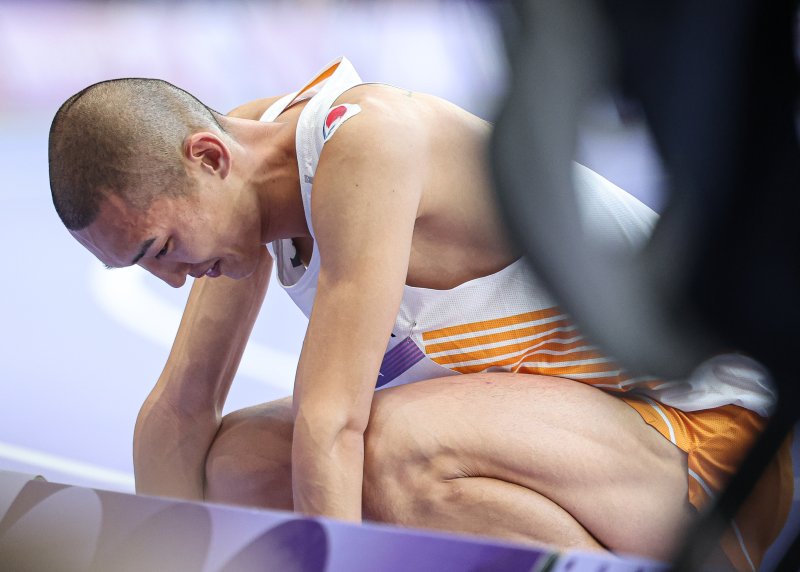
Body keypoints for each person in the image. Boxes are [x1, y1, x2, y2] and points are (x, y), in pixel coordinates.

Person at [48, 57, 791, 570]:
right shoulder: (240, 167)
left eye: (161, 248)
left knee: (393, 445)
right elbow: (180, 408)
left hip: (717, 446)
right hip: (586, 441)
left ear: (210, 158)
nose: (174, 281)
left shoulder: (368, 141)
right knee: (233, 471)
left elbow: (333, 421)